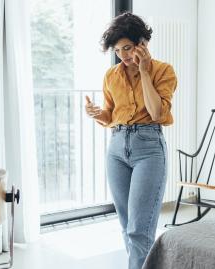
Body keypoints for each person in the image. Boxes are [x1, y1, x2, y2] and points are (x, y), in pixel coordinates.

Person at [84, 12, 177, 269]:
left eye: (127, 47)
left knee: (140, 229)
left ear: (143, 43)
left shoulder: (163, 71)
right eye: (117, 50)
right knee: (126, 226)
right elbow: (112, 114)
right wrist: (97, 114)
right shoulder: (111, 76)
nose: (123, 55)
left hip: (148, 148)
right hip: (117, 148)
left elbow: (157, 113)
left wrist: (145, 72)